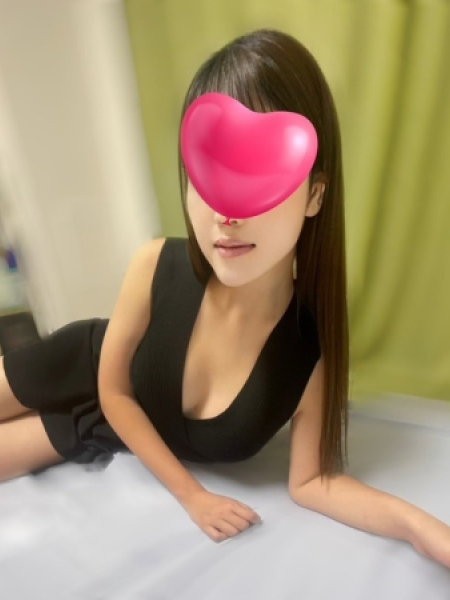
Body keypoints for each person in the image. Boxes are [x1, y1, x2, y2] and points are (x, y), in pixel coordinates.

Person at [0, 28, 449, 568]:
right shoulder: (154, 263)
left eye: (258, 170)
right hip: (76, 366)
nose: (225, 213)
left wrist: (421, 528)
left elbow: (312, 483)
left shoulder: (305, 355)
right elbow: (113, 388)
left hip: (97, 429)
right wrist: (193, 496)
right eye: (208, 170)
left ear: (315, 194)